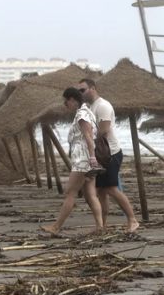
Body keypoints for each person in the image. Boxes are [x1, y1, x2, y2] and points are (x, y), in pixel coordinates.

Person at [78, 77, 140, 233]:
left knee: (111, 189)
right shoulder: (89, 107)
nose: (81, 93)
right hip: (99, 154)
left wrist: (87, 139)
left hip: (110, 153)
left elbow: (103, 130)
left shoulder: (103, 105)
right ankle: (102, 226)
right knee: (101, 191)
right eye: (79, 91)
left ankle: (133, 220)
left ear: (92, 88)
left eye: (83, 90)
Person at [40, 87, 104, 236]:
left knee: (70, 192)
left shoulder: (82, 114)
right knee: (90, 194)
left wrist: (92, 157)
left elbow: (88, 137)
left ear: (73, 100)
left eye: (66, 101)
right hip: (86, 158)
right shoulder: (87, 112)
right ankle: (100, 227)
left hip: (83, 159)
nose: (65, 104)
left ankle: (56, 227)